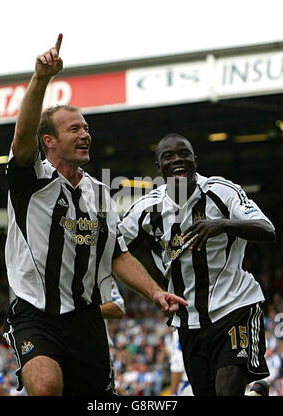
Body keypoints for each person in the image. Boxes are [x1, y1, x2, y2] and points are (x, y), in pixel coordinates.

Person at [2, 35, 186, 397]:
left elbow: (117, 254)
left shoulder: (100, 194)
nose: (85, 134)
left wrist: (155, 292)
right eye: (75, 129)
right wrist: (41, 78)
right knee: (46, 387)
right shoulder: (31, 180)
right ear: (49, 142)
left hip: (85, 317)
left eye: (86, 128)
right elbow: (23, 135)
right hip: (35, 313)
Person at [118, 132, 276, 396]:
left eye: (184, 154)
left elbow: (266, 229)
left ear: (195, 160)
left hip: (235, 306)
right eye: (168, 156)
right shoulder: (146, 209)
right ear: (159, 167)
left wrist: (223, 224)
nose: (178, 160)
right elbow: (114, 250)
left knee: (226, 390)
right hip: (189, 321)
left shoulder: (221, 192)